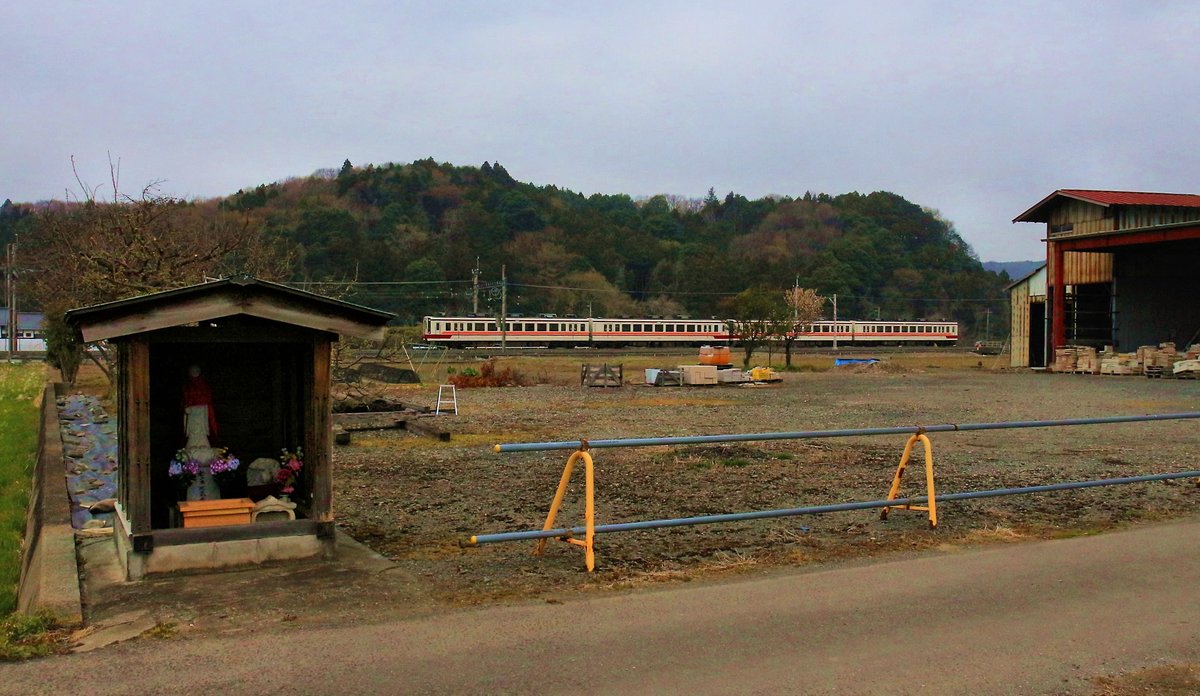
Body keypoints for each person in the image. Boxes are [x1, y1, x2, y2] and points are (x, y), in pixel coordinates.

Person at [182, 365, 221, 500]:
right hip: (192, 415)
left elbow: (208, 402)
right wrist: (187, 410)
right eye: (192, 371)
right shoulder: (187, 387)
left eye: (197, 371)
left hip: (202, 413)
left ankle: (203, 443)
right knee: (194, 434)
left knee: (202, 433)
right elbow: (185, 401)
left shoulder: (205, 387)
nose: (195, 373)